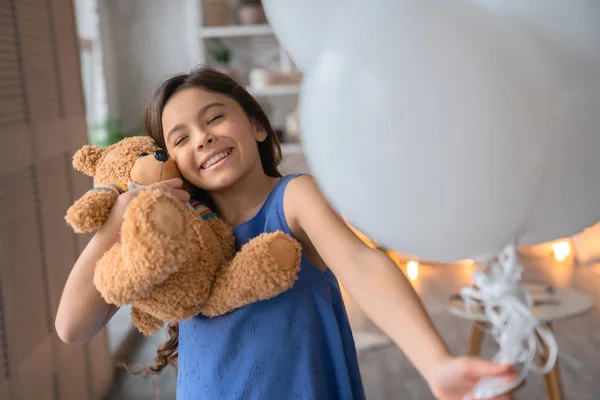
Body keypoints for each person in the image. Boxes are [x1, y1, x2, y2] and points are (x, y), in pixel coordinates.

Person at [55, 67, 518, 399]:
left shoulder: (294, 199)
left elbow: (361, 265)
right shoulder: (179, 235)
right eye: (180, 138)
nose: (202, 137)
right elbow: (72, 327)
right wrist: (117, 221)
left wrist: (436, 362)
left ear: (257, 125)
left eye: (214, 117)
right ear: (170, 163)